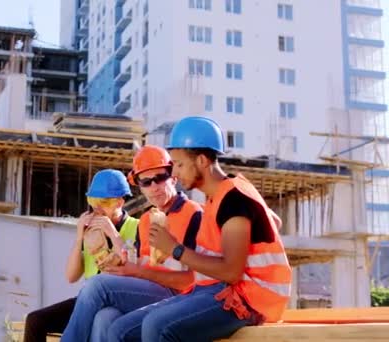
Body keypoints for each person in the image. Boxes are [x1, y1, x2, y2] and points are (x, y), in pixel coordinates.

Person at [107, 116, 292, 341]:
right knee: (120, 330)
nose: (174, 173)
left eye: (180, 164)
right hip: (213, 288)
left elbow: (231, 272)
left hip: (249, 298)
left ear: (202, 161)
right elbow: (273, 220)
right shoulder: (224, 195)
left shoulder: (233, 198)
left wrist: (175, 249)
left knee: (156, 326)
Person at [60, 145, 203, 342]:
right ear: (140, 187)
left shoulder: (193, 215)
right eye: (146, 181)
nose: (154, 187)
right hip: (147, 292)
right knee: (105, 317)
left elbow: (194, 281)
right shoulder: (146, 220)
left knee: (97, 286)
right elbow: (136, 265)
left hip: (179, 297)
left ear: (174, 178)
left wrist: (136, 271)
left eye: (160, 178)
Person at [24, 169, 138, 342]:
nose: (97, 208)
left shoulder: (137, 227)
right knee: (35, 320)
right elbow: (71, 276)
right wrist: (79, 238)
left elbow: (134, 267)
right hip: (89, 300)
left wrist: (113, 234)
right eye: (92, 201)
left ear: (120, 202)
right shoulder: (91, 231)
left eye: (104, 202)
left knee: (102, 321)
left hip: (119, 300)